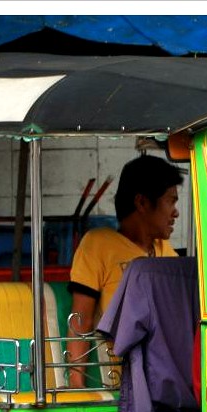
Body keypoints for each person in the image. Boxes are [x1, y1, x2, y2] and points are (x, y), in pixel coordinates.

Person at [66, 154, 184, 388]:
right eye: (171, 201)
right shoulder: (98, 244)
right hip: (125, 379)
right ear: (141, 203)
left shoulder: (164, 250)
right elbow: (81, 319)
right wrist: (76, 384)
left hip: (166, 375)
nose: (176, 213)